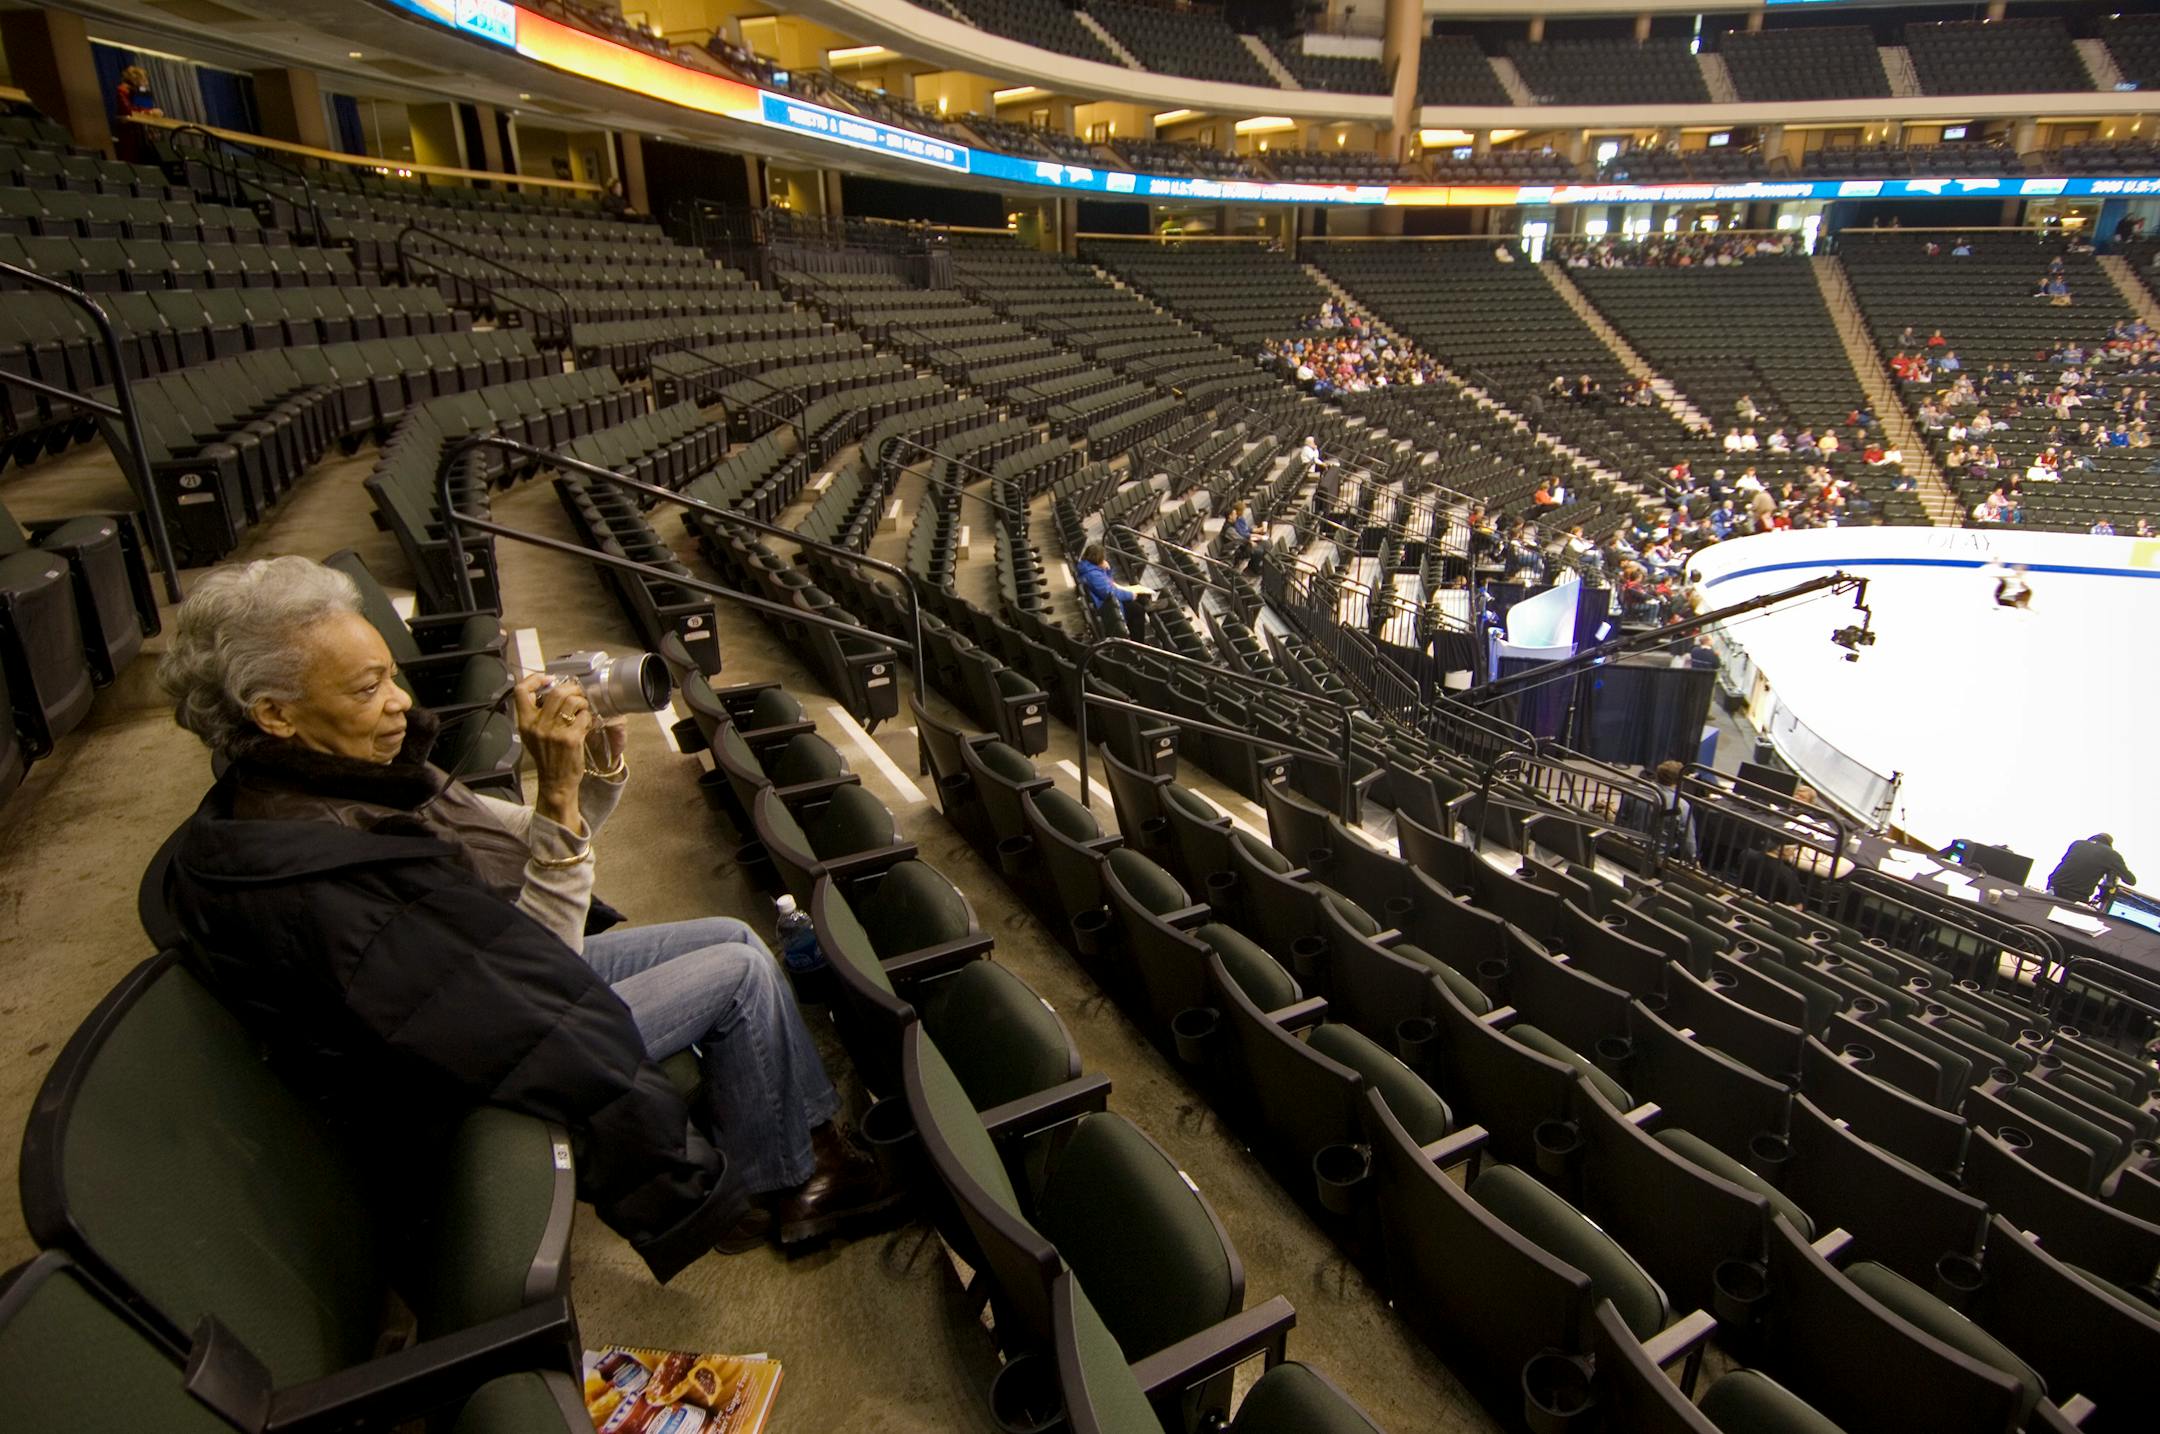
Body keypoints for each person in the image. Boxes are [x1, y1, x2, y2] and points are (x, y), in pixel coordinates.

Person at [156, 558, 894, 1281]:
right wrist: (561, 801)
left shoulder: (334, 777)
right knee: (738, 973)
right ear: (274, 714)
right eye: (367, 687)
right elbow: (539, 977)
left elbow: (524, 844)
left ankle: (791, 1154)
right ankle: (795, 1183)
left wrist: (586, 777)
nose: (401, 704)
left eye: (391, 674)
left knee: (730, 936)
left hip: (484, 985)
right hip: (460, 1068)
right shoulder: (333, 869)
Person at [2047, 834, 2138, 904]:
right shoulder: (2112, 855)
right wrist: (2113, 869)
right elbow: (2131, 881)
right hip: (2076, 896)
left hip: (2053, 887)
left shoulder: (2077, 843)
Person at [1077, 541, 1148, 622]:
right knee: (1138, 610)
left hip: (1107, 601)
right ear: (1098, 559)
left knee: (1140, 599)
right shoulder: (1093, 575)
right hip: (1107, 607)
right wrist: (1130, 595)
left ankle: (1149, 607)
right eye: (1103, 558)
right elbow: (1109, 593)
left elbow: (1108, 582)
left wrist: (1107, 571)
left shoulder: (1090, 568)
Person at [112, 64, 162, 162]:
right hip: (130, 134)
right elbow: (129, 110)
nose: (146, 83)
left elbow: (144, 108)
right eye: (144, 80)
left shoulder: (140, 92)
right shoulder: (122, 90)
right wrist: (151, 112)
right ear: (135, 79)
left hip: (141, 133)